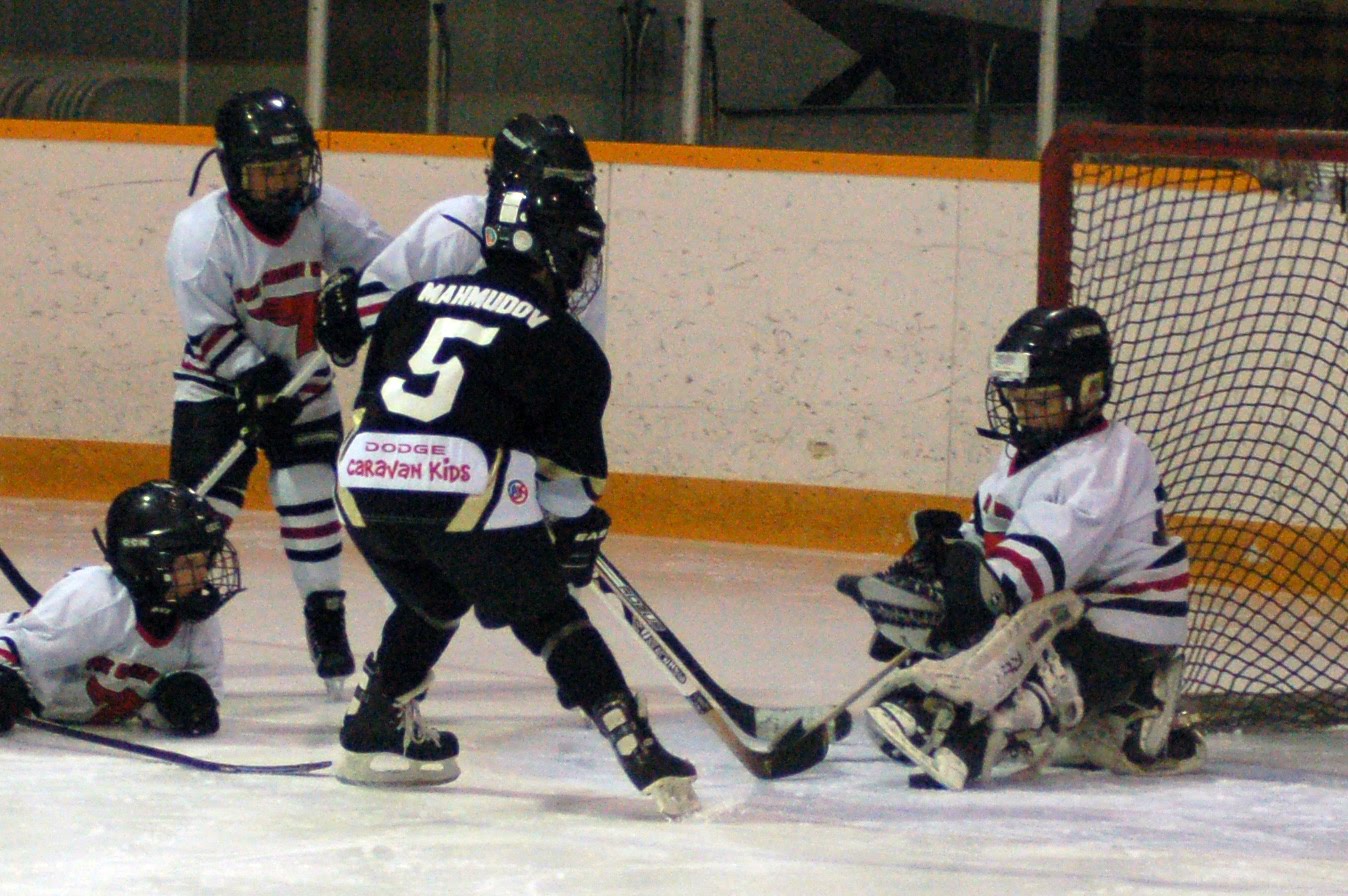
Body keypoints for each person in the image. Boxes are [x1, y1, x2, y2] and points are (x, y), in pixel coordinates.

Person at [325, 168, 700, 818]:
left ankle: (372, 724)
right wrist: (570, 534)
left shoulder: (411, 301)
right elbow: (567, 486)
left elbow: (376, 405)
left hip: (361, 482)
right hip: (457, 483)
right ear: (544, 248)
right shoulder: (567, 344)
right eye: (577, 251)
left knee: (437, 593)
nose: (584, 269)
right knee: (548, 614)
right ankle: (638, 747)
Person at [837, 305, 1204, 790]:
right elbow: (993, 533)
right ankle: (1103, 716)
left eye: (1042, 400)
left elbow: (1036, 567)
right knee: (978, 633)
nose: (1026, 412)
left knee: (1022, 650)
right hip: (1069, 606)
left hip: (1121, 626)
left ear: (1089, 391)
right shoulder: (1025, 449)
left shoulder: (1106, 459)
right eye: (1017, 398)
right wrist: (942, 561)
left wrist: (960, 598)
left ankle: (1001, 724)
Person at [165, 87, 392, 695]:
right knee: (200, 519)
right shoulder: (201, 235)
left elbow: (390, 271)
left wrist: (353, 308)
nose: (285, 183)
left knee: (309, 493)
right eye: (268, 171)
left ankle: (326, 616)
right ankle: (173, 633)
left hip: (304, 382)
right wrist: (252, 379)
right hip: (215, 387)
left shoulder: (327, 212)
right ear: (234, 170)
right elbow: (207, 326)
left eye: (292, 168)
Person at [314, 112, 606, 371]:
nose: (577, 202)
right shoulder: (458, 227)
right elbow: (373, 304)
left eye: (582, 188)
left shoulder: (575, 249)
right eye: (564, 187)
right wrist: (349, 315)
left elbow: (579, 368)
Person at [0, 480, 242, 736]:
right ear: (142, 563)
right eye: (186, 565)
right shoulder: (96, 597)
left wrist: (184, 707)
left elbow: (204, 697)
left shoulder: (197, 623)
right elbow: (14, 643)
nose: (201, 576)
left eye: (205, 561)